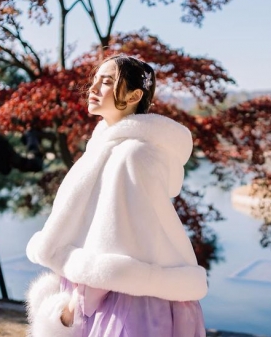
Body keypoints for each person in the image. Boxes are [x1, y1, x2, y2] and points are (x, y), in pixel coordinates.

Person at [25, 54, 208, 337]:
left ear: (135, 95)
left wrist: (74, 305)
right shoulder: (105, 147)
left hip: (119, 302)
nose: (94, 88)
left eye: (107, 81)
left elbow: (121, 241)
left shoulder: (132, 154)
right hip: (102, 291)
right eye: (95, 80)